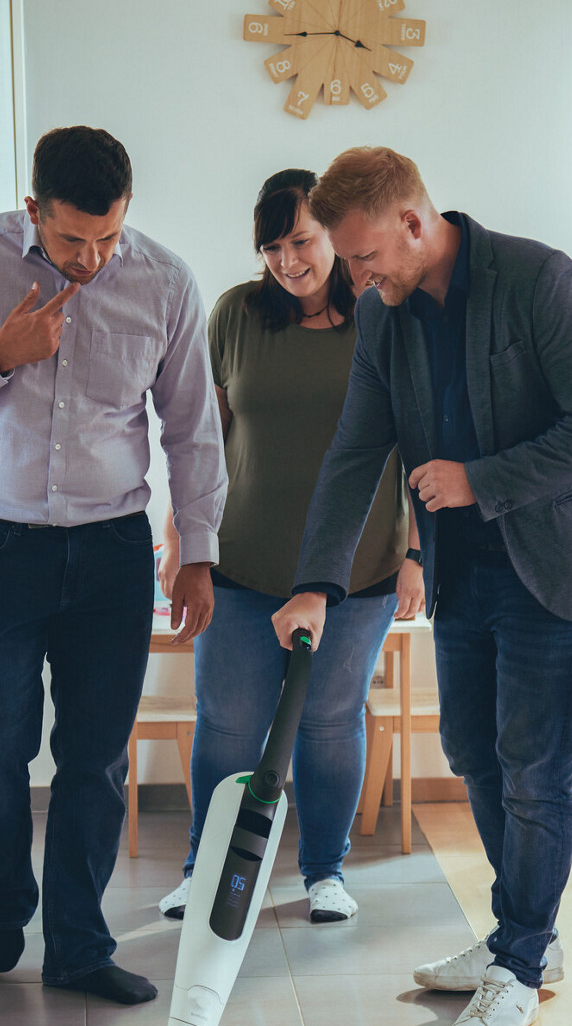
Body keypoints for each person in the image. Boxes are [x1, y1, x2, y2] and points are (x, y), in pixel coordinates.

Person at [271, 147, 572, 1026]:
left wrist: (480, 480)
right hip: (467, 570)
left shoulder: (537, 278)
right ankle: (525, 937)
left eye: (364, 258)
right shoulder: (384, 316)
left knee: (532, 764)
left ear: (414, 221)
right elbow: (355, 453)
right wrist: (314, 583)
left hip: (558, 564)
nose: (354, 278)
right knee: (472, 754)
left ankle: (520, 962)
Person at [0, 126, 226, 1006]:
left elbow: (192, 428)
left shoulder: (165, 281)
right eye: (74, 238)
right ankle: (5, 904)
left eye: (108, 237)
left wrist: (199, 552)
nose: (92, 257)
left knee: (95, 758)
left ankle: (78, 945)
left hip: (113, 553)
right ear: (32, 207)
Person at [154, 169, 424, 927]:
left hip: (357, 568)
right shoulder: (237, 314)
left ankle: (324, 872)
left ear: (333, 237)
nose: (287, 260)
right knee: (230, 723)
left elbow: (420, 439)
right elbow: (200, 437)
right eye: (271, 246)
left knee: (331, 720)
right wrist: (181, 536)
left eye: (300, 240)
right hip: (244, 562)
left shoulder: (385, 315)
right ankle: (204, 872)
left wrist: (417, 556)